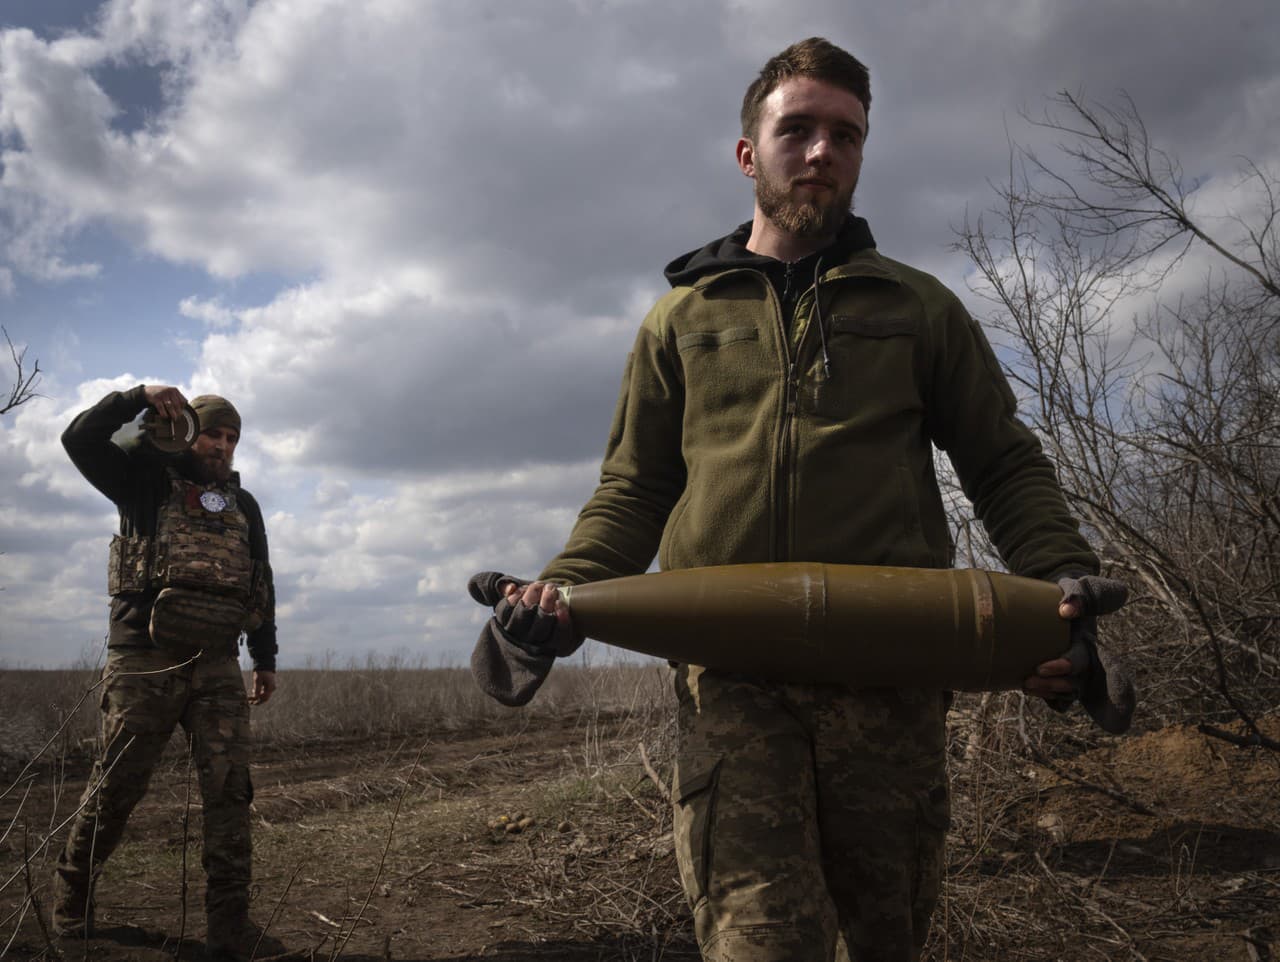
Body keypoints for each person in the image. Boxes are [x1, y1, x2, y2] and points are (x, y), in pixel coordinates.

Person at [472, 37, 1130, 962]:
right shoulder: (680, 321)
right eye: (799, 129)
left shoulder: (921, 308)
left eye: (846, 135)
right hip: (731, 684)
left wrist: (1062, 580)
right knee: (757, 944)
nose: (823, 151)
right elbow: (634, 487)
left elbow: (1002, 462)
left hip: (891, 678)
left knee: (886, 940)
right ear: (751, 152)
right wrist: (559, 593)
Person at [53, 384, 281, 962]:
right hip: (143, 660)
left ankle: (228, 928)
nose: (223, 446)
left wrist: (266, 657)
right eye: (213, 433)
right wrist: (137, 396)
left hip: (217, 663)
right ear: (188, 430)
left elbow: (261, 580)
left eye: (232, 438)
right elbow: (78, 438)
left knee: (230, 793)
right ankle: (72, 897)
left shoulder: (242, 504)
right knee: (118, 787)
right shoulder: (143, 478)